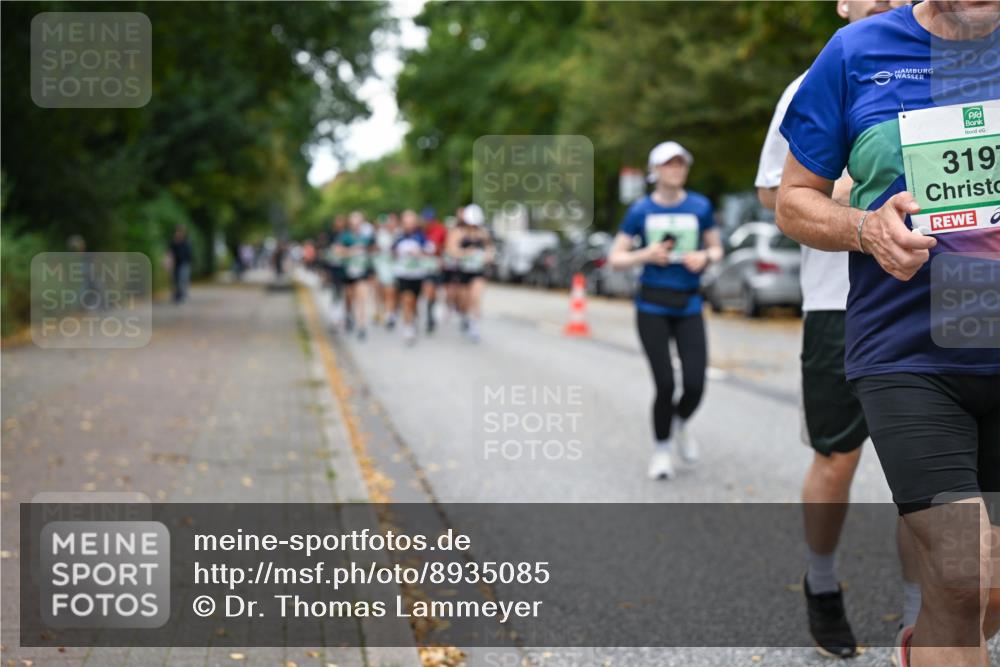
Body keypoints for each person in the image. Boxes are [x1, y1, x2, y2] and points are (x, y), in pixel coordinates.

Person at [775, 2, 1000, 665]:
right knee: (968, 571)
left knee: (981, 597)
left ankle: (920, 648)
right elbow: (793, 197)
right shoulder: (855, 52)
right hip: (909, 353)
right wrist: (865, 228)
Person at [757, 0, 920, 659]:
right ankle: (821, 583)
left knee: (923, 477)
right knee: (837, 455)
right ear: (841, 5)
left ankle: (923, 616)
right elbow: (777, 193)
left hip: (924, 297)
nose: (880, 1)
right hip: (837, 298)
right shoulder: (817, 77)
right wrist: (859, 191)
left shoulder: (940, 67)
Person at [608, 141, 722, 480]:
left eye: (681, 164)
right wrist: (645, 255)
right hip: (651, 305)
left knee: (695, 383)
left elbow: (717, 248)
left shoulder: (700, 206)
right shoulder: (640, 211)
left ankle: (680, 423)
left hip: (688, 304)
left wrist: (705, 257)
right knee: (665, 383)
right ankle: (661, 452)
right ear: (654, 170)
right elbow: (615, 258)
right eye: (669, 164)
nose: (676, 169)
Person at [447, 203, 493, 343]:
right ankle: (464, 316)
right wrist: (465, 253)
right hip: (462, 271)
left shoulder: (483, 233)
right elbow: (451, 250)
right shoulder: (457, 233)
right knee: (464, 300)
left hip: (477, 271)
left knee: (475, 297)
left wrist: (487, 256)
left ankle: (474, 325)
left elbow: (489, 249)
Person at [392, 209, 435, 345]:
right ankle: (408, 327)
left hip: (417, 275)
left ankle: (413, 319)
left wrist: (420, 252)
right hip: (403, 274)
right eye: (406, 222)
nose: (408, 225)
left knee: (414, 302)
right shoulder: (398, 237)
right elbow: (392, 252)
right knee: (406, 299)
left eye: (411, 222)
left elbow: (430, 251)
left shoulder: (421, 236)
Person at [335, 211, 374, 341]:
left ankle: (361, 326)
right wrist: (351, 251)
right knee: (349, 297)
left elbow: (373, 249)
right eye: (354, 222)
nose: (356, 225)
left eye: (359, 222)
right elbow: (338, 251)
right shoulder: (345, 236)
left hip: (361, 272)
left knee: (361, 298)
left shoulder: (366, 236)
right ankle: (348, 315)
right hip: (348, 272)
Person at [421, 206, 449, 334]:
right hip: (425, 266)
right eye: (426, 219)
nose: (428, 222)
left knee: (437, 292)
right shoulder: (421, 231)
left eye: (430, 219)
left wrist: (440, 253)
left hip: (437, 265)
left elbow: (446, 246)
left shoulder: (440, 229)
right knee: (428, 291)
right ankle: (429, 317)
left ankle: (435, 309)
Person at [373, 213, 400, 329]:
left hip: (397, 267)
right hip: (383, 267)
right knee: (387, 291)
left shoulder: (400, 234)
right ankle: (388, 313)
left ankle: (391, 312)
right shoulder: (380, 235)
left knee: (393, 292)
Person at [169, 225, 193, 303]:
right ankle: (177, 295)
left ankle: (182, 295)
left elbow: (189, 254)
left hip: (184, 264)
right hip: (175, 264)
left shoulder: (186, 242)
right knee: (175, 280)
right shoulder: (173, 242)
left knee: (183, 279)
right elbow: (170, 253)